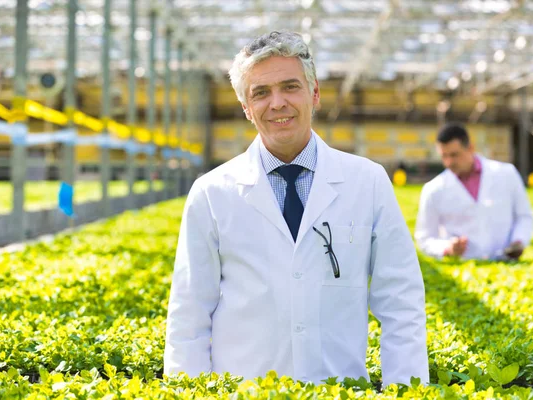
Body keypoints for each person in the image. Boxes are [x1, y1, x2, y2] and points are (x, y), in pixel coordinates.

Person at [164, 31, 429, 386]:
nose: (277, 103)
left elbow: (401, 303)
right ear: (246, 107)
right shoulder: (211, 193)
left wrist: (405, 389)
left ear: (314, 93)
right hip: (246, 392)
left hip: (338, 390)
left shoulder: (368, 182)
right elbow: (189, 314)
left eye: (290, 87)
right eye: (260, 93)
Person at [415, 122, 533, 260]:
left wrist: (518, 241)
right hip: (463, 266)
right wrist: (448, 248)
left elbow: (524, 216)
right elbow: (424, 238)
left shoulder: (507, 174)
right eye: (444, 156)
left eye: (454, 155)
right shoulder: (433, 189)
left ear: (470, 148)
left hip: (506, 262)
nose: (449, 162)